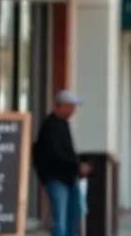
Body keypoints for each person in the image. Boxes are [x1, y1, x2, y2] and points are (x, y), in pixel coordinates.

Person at [34, 90, 91, 236]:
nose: (73, 110)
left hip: (69, 177)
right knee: (61, 217)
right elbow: (55, 154)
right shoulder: (50, 126)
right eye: (71, 106)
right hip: (56, 178)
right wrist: (76, 165)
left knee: (73, 216)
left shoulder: (63, 125)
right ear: (60, 106)